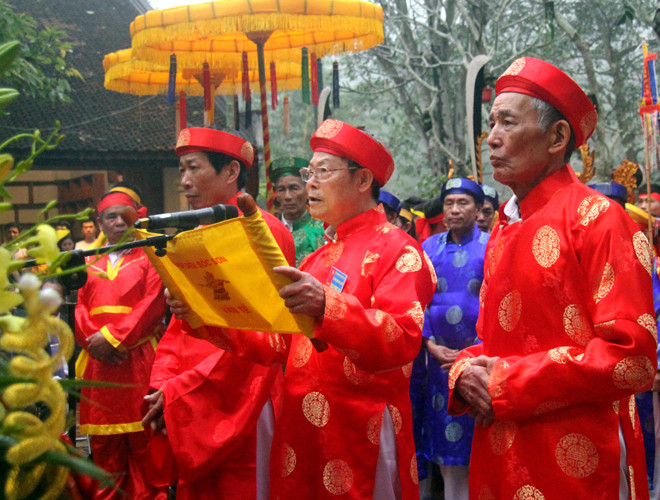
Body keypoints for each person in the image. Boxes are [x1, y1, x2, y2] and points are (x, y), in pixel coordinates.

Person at [448, 57, 657, 499]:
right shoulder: (504, 227)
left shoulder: (599, 219)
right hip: (501, 448)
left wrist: (507, 381)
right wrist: (464, 372)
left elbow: (632, 358)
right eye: (492, 123)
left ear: (557, 137)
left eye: (508, 122)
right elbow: (495, 343)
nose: (492, 137)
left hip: (578, 456)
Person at [267, 120, 435, 499]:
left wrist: (328, 305)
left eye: (323, 172)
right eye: (309, 173)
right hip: (304, 430)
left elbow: (401, 336)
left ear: (362, 180)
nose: (310, 184)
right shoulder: (315, 259)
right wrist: (209, 319)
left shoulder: (398, 248)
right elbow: (280, 343)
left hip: (360, 429)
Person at [142, 127, 295, 500]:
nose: (184, 181)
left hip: (242, 397)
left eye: (194, 168)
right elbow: (179, 324)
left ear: (230, 171)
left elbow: (267, 334)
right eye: (182, 170)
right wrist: (163, 382)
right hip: (192, 393)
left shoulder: (264, 232)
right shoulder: (198, 232)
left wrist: (183, 389)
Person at [75, 188, 167, 500]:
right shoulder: (87, 261)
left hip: (139, 361)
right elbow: (79, 307)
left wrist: (112, 339)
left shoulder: (150, 256)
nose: (118, 222)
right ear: (99, 222)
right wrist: (94, 343)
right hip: (99, 366)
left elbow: (152, 305)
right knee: (105, 456)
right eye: (110, 217)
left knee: (145, 448)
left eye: (124, 216)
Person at [412, 178, 488, 500]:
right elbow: (417, 300)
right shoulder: (429, 248)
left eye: (463, 203)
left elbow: (497, 302)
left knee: (481, 443)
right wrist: (429, 343)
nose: (454, 210)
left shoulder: (492, 246)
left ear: (479, 209)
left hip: (479, 362)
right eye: (449, 203)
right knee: (445, 448)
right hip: (438, 364)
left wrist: (475, 351)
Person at [272, 155, 325, 266]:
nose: (287, 196)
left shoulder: (323, 231)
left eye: (294, 188)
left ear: (307, 190)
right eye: (281, 189)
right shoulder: (268, 230)